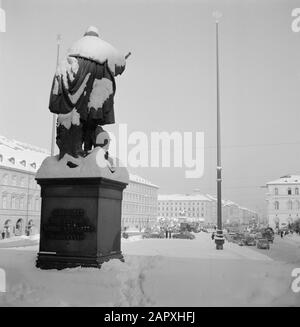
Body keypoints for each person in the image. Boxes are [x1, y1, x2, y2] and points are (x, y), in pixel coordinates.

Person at [49, 26, 127, 159]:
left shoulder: (74, 48)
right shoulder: (104, 48)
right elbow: (121, 64)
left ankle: (75, 153)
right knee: (88, 120)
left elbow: (60, 78)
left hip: (74, 97)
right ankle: (85, 150)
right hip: (92, 95)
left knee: (74, 122)